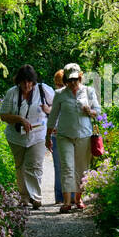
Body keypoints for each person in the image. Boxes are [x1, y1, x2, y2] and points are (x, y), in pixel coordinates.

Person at [45, 62, 100, 212]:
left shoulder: (88, 91)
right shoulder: (60, 94)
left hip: (84, 134)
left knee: (82, 168)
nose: (73, 83)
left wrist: (90, 111)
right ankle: (66, 202)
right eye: (69, 80)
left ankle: (78, 198)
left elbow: (98, 111)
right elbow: (53, 115)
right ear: (65, 81)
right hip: (64, 135)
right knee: (67, 167)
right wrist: (48, 135)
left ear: (80, 77)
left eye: (75, 79)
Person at [0, 65, 52, 208]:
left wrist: (49, 110)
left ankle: (36, 197)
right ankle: (24, 198)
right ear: (18, 81)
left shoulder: (43, 90)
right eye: (23, 82)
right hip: (16, 137)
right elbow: (3, 115)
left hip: (38, 135)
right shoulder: (12, 93)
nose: (26, 85)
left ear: (33, 81)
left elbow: (57, 107)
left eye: (29, 81)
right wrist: (20, 119)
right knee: (20, 166)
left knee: (34, 165)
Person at [49, 68, 65, 205]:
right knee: (59, 166)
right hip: (57, 134)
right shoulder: (57, 94)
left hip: (67, 133)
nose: (59, 87)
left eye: (61, 84)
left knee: (66, 166)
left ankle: (68, 196)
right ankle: (60, 197)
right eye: (57, 84)